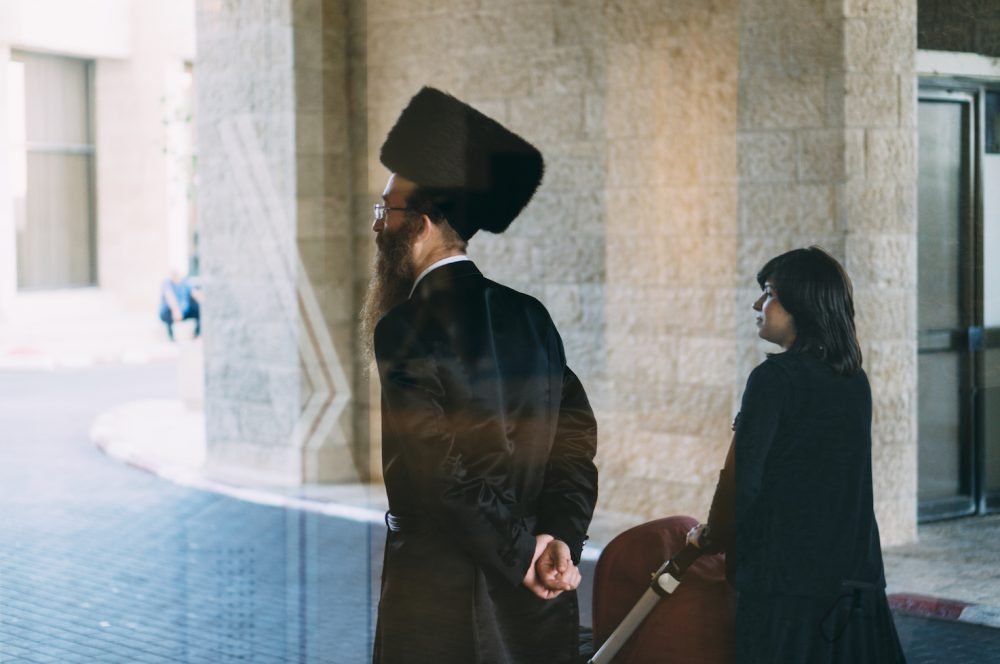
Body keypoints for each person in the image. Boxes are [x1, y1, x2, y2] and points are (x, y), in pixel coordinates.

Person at [361, 87, 599, 664]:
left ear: (419, 225)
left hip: (437, 609)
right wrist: (557, 542)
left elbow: (439, 474)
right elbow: (575, 445)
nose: (377, 227)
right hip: (533, 607)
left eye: (385, 212)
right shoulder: (532, 316)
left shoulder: (405, 328)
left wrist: (524, 555)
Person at [689, 246, 906, 663]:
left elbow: (743, 479)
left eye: (769, 293)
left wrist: (713, 535)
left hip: (787, 589)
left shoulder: (774, 380)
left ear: (801, 307)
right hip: (855, 581)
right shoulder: (853, 380)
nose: (758, 303)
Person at [159, 269, 201, 341]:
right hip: (171, 311)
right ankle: (171, 336)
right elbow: (170, 297)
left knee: (198, 309)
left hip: (184, 310)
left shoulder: (185, 282)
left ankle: (196, 334)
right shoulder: (167, 283)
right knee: (167, 312)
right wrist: (176, 310)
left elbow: (195, 293)